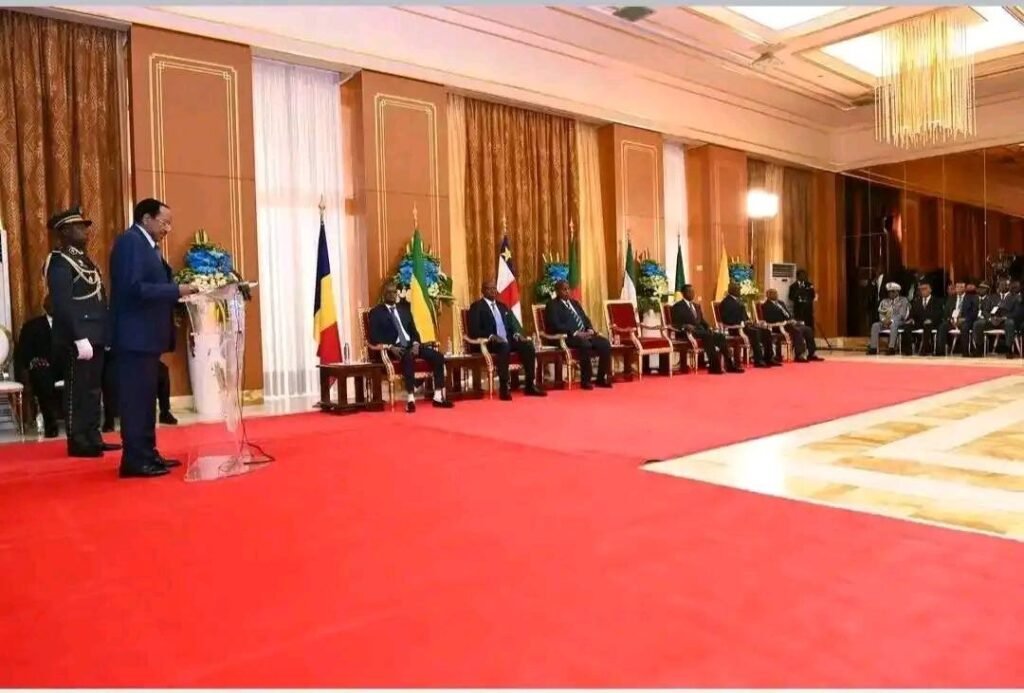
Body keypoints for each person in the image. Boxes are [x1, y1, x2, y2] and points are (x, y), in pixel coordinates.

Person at [109, 198, 197, 478]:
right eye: (164, 222)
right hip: (134, 337)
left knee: (146, 400)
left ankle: (147, 453)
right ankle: (135, 460)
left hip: (146, 338)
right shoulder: (130, 242)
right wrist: (176, 291)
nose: (168, 228)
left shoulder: (147, 246)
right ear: (146, 218)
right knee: (136, 402)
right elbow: (134, 288)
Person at [44, 206, 121, 457]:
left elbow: (98, 299)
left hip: (95, 333)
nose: (85, 231)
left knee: (93, 389)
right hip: (77, 337)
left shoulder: (84, 260)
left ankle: (92, 436)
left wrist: (105, 333)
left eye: (84, 226)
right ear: (64, 231)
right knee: (77, 389)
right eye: (78, 227)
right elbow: (63, 305)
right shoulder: (59, 262)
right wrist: (78, 337)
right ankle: (77, 440)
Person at [367, 281, 454, 413]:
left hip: (411, 345)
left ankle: (438, 397)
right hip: (395, 348)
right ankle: (411, 399)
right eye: (389, 292)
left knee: (438, 357)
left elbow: (414, 331)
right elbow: (374, 336)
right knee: (408, 358)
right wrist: (390, 347)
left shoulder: (404, 310)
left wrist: (416, 343)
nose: (392, 295)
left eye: (394, 292)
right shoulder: (376, 312)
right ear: (384, 294)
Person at [467, 279, 546, 400]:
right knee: (504, 346)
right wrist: (491, 336)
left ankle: (530, 385)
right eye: (489, 289)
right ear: (482, 291)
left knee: (528, 345)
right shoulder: (477, 307)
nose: (493, 291)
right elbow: (474, 330)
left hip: (507, 339)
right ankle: (504, 387)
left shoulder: (502, 306)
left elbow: (511, 326)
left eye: (494, 288)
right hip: (490, 342)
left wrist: (517, 335)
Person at [544, 279, 612, 389]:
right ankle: (586, 380)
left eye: (568, 289)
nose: (567, 291)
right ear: (557, 291)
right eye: (564, 289)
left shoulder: (575, 303)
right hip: (568, 336)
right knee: (585, 344)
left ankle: (601, 378)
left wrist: (589, 329)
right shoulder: (552, 305)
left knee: (604, 343)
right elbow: (555, 325)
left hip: (585, 334)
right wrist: (575, 332)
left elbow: (585, 318)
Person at [14, 296, 61, 438]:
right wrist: (34, 361)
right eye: (50, 304)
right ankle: (50, 423)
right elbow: (23, 353)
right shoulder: (32, 326)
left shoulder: (68, 325)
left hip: (65, 366)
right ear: (45, 306)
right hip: (43, 368)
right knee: (41, 375)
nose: (53, 307)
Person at [670, 284, 742, 374]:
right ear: (683, 293)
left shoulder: (696, 306)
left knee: (720, 336)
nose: (692, 293)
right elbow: (675, 323)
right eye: (689, 292)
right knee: (708, 336)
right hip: (688, 333)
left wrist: (709, 327)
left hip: (701, 331)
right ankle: (714, 367)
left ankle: (730, 365)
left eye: (693, 291)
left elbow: (702, 321)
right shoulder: (678, 306)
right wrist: (684, 326)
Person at [101, 357, 176, 431]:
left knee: (162, 371)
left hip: (139, 358)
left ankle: (165, 413)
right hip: (116, 360)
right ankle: (109, 419)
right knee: (110, 374)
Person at [719, 282, 777, 368]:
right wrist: (741, 322)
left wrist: (748, 321)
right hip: (735, 328)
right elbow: (726, 319)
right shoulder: (726, 302)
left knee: (766, 331)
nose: (739, 291)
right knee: (755, 332)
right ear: (731, 290)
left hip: (744, 326)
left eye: (739, 289)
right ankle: (758, 360)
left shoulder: (738, 301)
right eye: (738, 289)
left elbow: (744, 315)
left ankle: (768, 358)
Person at [761, 288, 823, 362]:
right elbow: (770, 318)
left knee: (808, 329)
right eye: (773, 293)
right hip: (779, 325)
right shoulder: (766, 306)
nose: (775, 295)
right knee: (797, 331)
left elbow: (787, 313)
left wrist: (791, 320)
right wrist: (786, 321)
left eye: (776, 293)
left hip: (789, 323)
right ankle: (799, 355)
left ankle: (811, 353)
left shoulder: (780, 303)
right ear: (768, 295)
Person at [971, 278, 1019, 359]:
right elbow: (985, 311)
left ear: (1008, 286)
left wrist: (1004, 318)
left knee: (1010, 323)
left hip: (1005, 321)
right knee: (977, 324)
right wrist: (990, 318)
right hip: (992, 321)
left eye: (1004, 284)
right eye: (1000, 284)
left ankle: (1009, 349)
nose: (1002, 286)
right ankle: (979, 348)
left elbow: (1017, 312)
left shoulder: (1015, 297)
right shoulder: (992, 297)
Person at [867, 282, 910, 355]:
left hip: (898, 322)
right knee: (875, 325)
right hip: (885, 322)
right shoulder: (884, 301)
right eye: (889, 292)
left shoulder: (903, 300)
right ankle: (873, 348)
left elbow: (902, 314)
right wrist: (884, 320)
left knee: (893, 325)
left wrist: (891, 320)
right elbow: (881, 313)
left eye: (893, 291)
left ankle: (891, 348)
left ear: (897, 292)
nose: (891, 293)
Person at [937, 280, 978, 357]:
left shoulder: (972, 298)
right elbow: (946, 312)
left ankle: (965, 352)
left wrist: (964, 319)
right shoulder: (951, 298)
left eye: (961, 287)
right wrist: (951, 319)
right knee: (942, 326)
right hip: (953, 321)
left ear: (965, 288)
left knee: (964, 327)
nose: (959, 289)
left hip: (965, 321)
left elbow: (974, 312)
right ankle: (940, 351)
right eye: (957, 287)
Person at [905, 282, 945, 355]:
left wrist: (931, 320)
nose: (923, 291)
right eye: (921, 289)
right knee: (907, 326)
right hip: (919, 323)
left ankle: (925, 349)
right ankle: (908, 350)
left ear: (930, 290)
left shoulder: (937, 301)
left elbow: (939, 314)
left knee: (927, 325)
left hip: (932, 323)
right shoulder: (916, 301)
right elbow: (912, 313)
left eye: (925, 289)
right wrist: (911, 319)